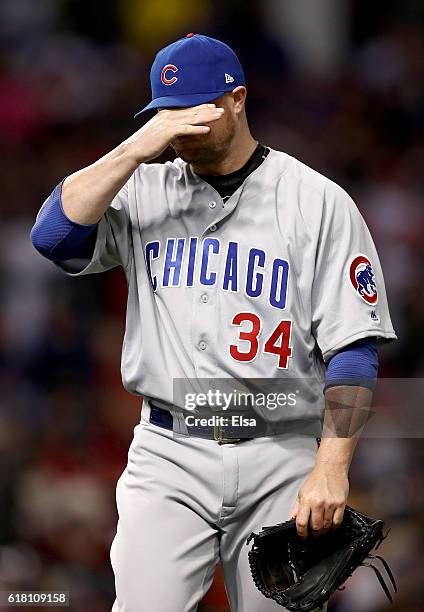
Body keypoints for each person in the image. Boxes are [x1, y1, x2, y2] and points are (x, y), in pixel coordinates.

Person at [30, 34, 397, 612]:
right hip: (168, 452)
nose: (182, 127)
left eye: (196, 108)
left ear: (237, 100)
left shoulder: (316, 202)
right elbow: (53, 237)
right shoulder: (143, 188)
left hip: (282, 451)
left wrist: (331, 468)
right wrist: (133, 148)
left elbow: (354, 351)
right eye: (169, 113)